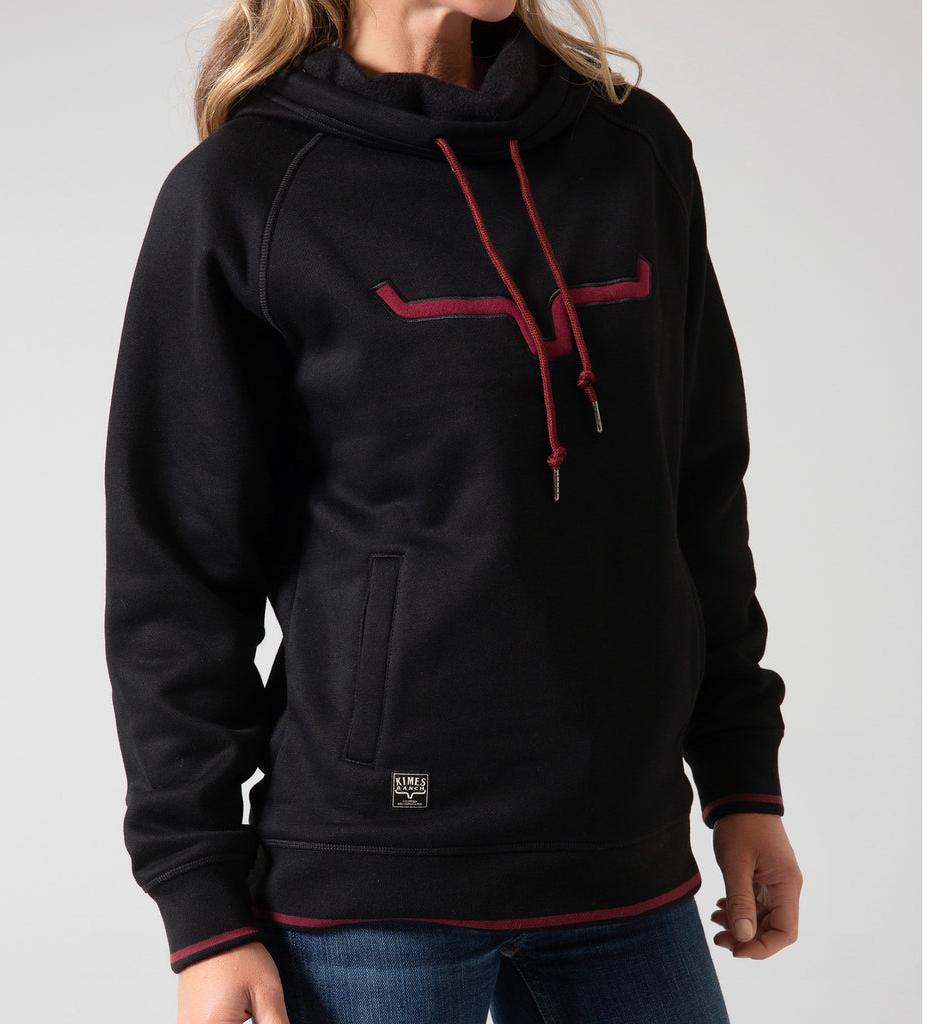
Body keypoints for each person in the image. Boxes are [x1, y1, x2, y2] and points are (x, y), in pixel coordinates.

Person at [103, 1, 803, 1021]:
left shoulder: (632, 150)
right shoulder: (249, 191)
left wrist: (742, 780)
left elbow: (697, 488)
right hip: (374, 883)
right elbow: (175, 572)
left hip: (626, 859)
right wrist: (202, 906)